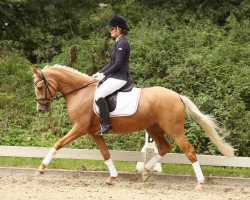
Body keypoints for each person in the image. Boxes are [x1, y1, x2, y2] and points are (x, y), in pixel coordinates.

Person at [92, 15, 131, 135]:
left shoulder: (122, 43)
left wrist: (104, 75)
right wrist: (99, 73)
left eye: (112, 29)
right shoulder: (117, 42)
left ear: (119, 28)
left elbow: (118, 64)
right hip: (115, 76)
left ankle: (106, 124)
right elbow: (111, 62)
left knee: (98, 95)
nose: (110, 31)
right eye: (110, 29)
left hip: (120, 77)